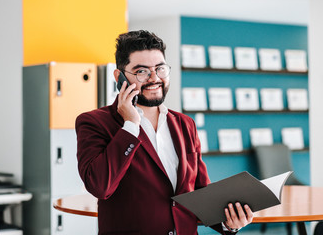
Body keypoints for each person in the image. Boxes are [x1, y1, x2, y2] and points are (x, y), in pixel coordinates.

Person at [76, 30, 253, 235]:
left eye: (160, 69)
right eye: (141, 71)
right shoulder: (94, 122)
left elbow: (199, 193)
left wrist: (228, 223)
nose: (154, 78)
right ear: (119, 77)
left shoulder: (186, 124)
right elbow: (100, 186)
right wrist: (131, 126)